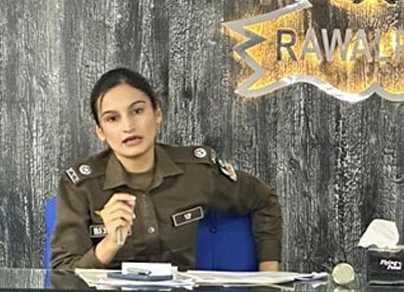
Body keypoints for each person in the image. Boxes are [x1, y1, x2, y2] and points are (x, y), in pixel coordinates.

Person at [51, 68, 282, 270]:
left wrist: (269, 278)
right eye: (112, 118)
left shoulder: (196, 171)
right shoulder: (81, 186)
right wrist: (110, 243)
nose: (128, 126)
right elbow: (64, 275)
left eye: (137, 111)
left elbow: (263, 199)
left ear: (157, 113)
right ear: (100, 131)